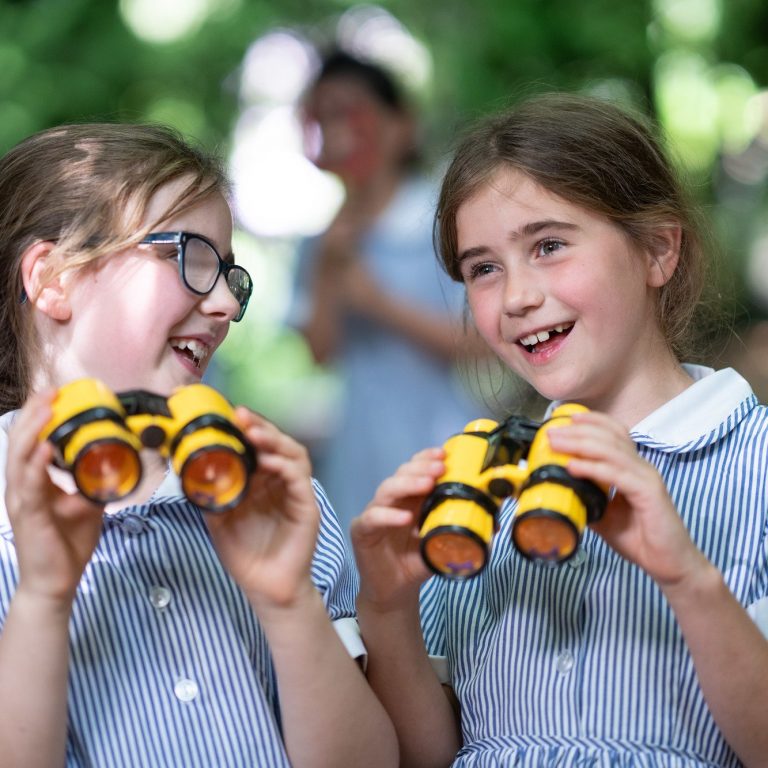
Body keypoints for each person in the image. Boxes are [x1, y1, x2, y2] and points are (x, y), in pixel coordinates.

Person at [350, 93, 768, 767]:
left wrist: (688, 578)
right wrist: (388, 610)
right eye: (483, 268)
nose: (516, 296)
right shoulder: (478, 484)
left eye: (548, 245)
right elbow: (430, 754)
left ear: (659, 250)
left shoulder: (756, 465)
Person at [0, 122, 398, 768]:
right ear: (53, 279)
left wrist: (287, 601)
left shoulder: (272, 494)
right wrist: (43, 597)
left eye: (228, 275)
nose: (221, 305)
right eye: (190, 256)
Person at [289, 50, 486, 539]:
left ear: (401, 125)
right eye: (324, 115)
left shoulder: (446, 223)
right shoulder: (320, 242)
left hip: (448, 450)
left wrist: (379, 304)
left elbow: (480, 342)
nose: (338, 129)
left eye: (350, 111)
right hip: (357, 458)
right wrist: (330, 270)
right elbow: (320, 353)